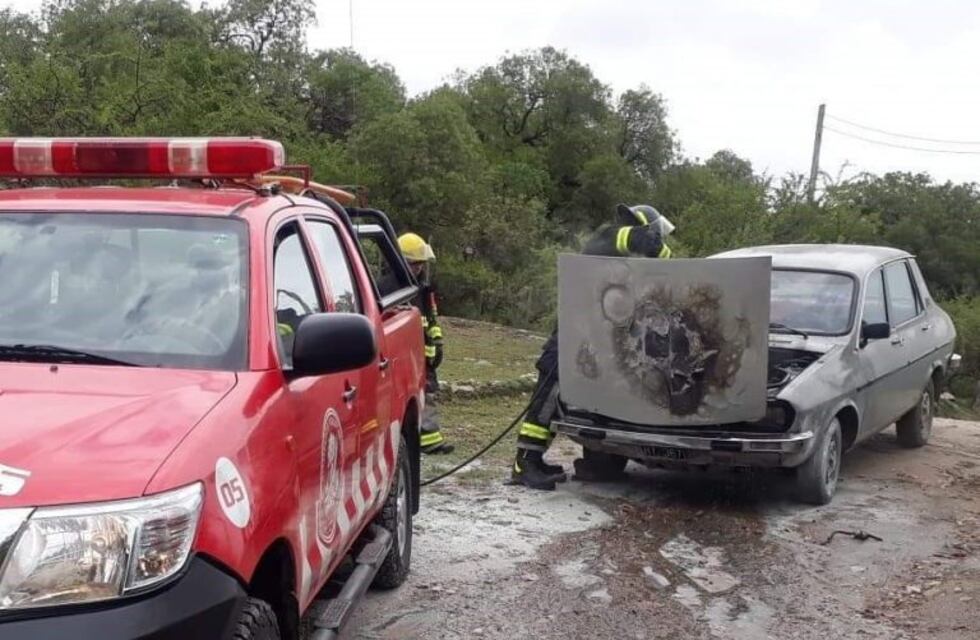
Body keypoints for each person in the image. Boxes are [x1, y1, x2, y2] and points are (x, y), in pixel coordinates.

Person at [511, 204, 675, 490]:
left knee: (596, 398)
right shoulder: (612, 237)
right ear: (642, 226)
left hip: (593, 338)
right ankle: (525, 463)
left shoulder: (618, 258)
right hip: (571, 337)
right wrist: (662, 251)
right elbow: (653, 248)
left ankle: (593, 465)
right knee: (549, 399)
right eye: (654, 231)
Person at [397, 232, 455, 455]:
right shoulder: (391, 288)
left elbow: (431, 318)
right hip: (404, 356)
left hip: (424, 357)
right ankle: (420, 438)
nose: (418, 268)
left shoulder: (423, 288)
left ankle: (429, 438)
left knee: (428, 393)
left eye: (420, 264)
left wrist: (437, 342)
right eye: (414, 264)